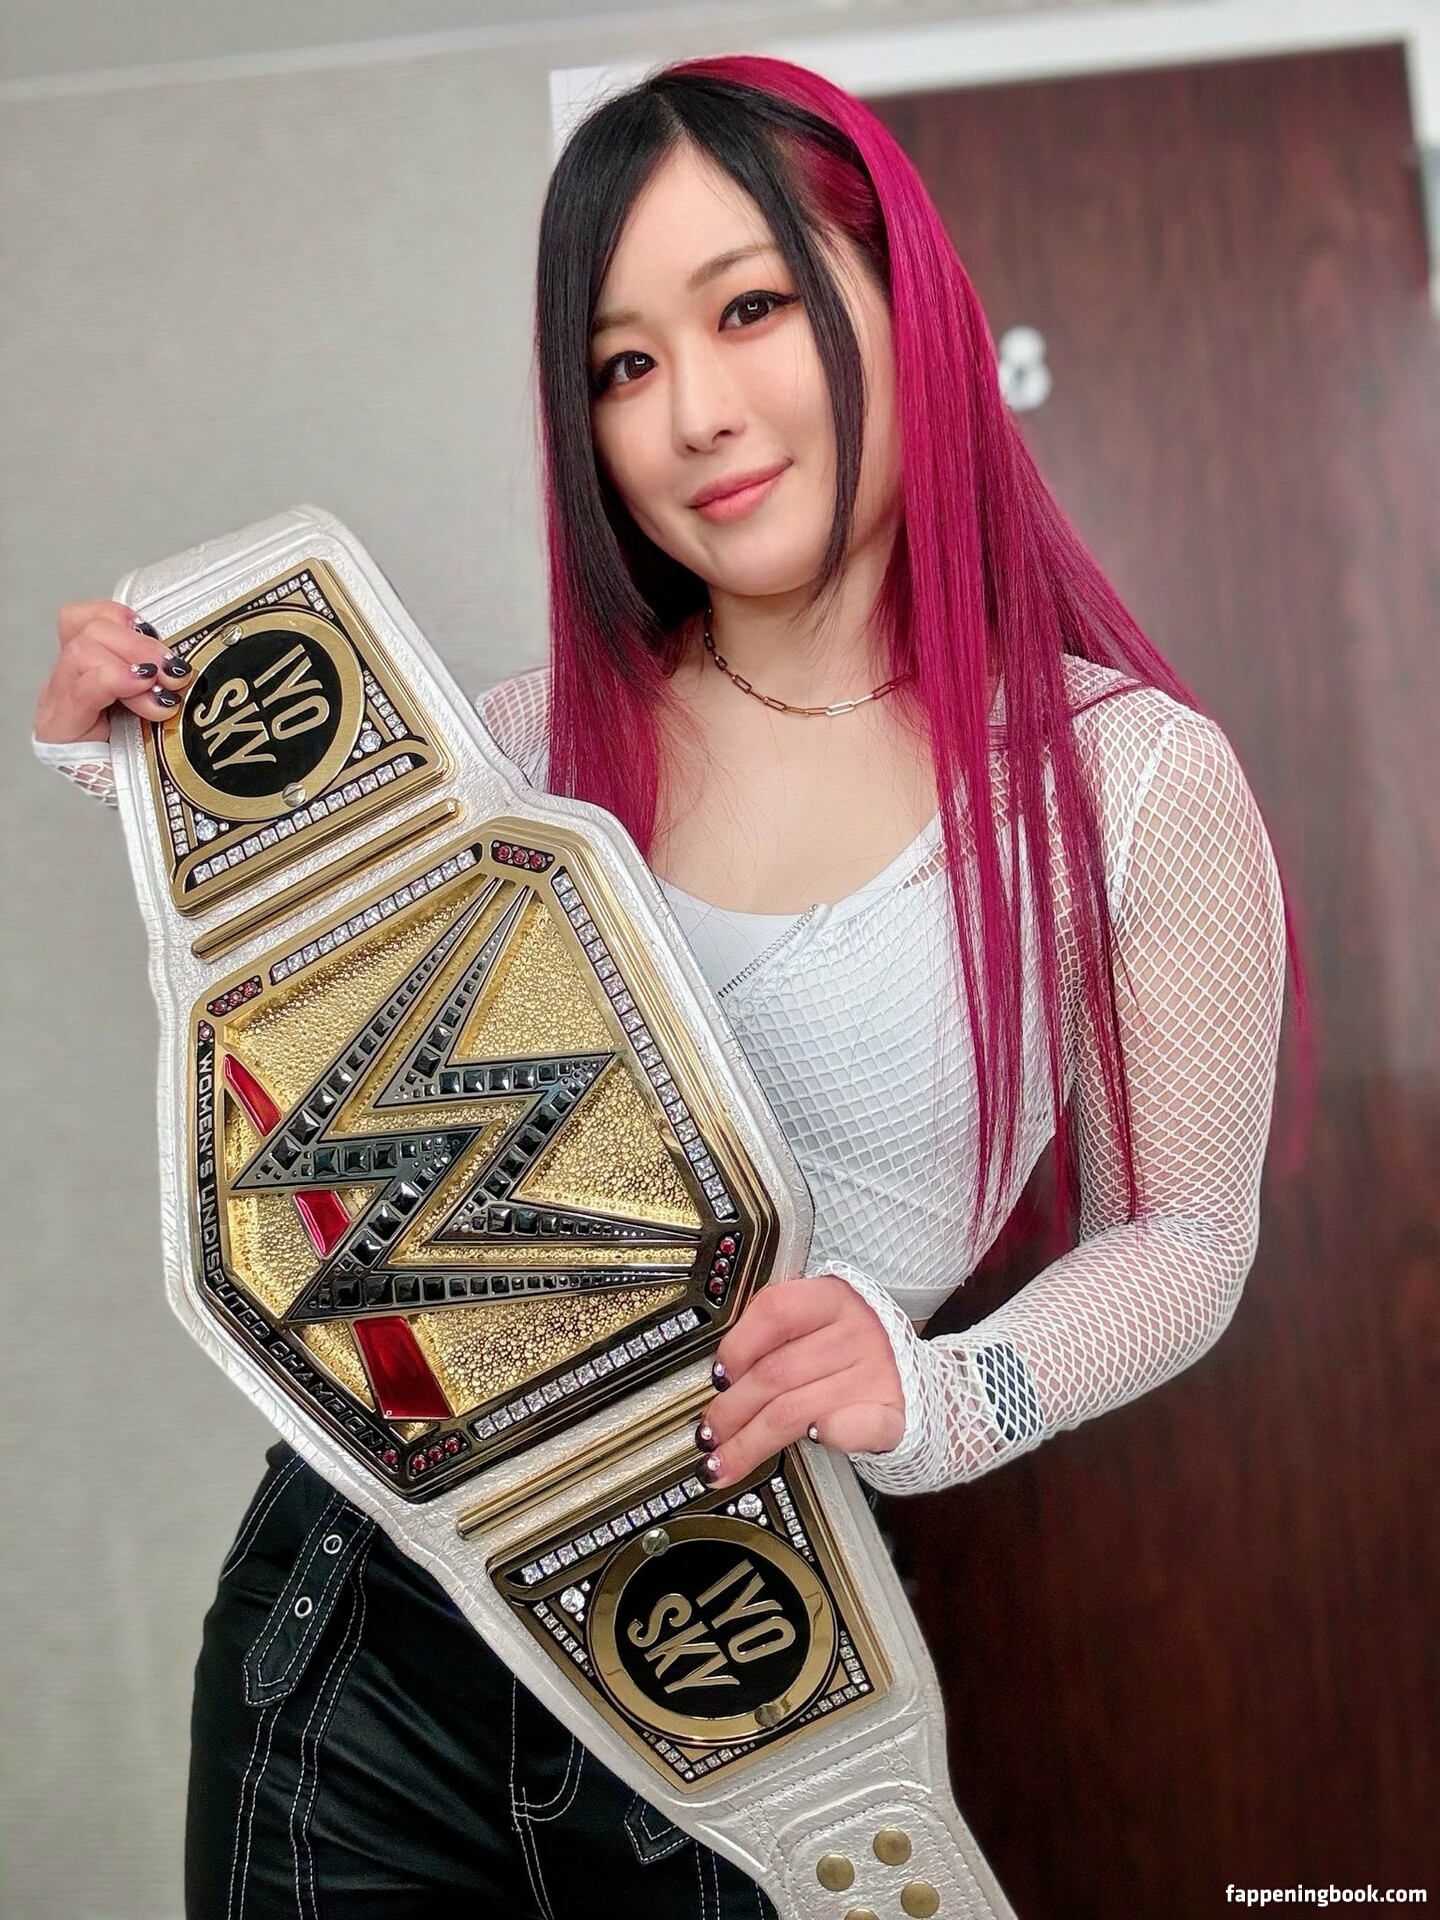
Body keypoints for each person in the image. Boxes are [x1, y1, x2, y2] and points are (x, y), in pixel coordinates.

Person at [31, 52, 1294, 1920]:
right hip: (359, 1647)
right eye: (622, 364)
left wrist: (949, 1392)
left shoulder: (1126, 783)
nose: (695, 411)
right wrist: (135, 756)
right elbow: (297, 1067)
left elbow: (1184, 1235)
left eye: (751, 307)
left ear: (907, 305)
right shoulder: (516, 751)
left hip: (741, 1678)